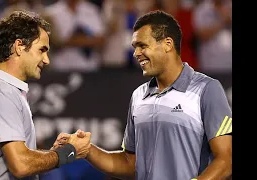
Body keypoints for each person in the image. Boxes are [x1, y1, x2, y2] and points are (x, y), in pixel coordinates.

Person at [53, 10, 232, 180]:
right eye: (134, 47)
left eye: (142, 46)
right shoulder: (139, 95)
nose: (136, 53)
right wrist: (87, 149)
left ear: (168, 44)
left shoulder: (207, 89)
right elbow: (130, 163)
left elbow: (226, 159)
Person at [0, 10, 91, 180]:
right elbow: (21, 165)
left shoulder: (4, 90)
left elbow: (17, 159)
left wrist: (53, 153)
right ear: (19, 46)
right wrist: (69, 152)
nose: (47, 60)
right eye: (42, 50)